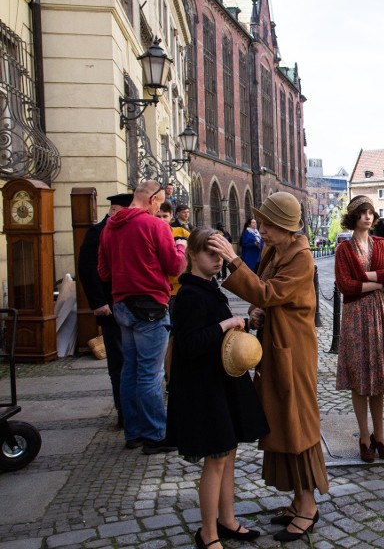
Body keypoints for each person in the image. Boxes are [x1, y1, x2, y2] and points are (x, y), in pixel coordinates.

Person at [208, 192, 328, 543]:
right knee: (281, 422)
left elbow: (267, 292)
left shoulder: (301, 257)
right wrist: (260, 312)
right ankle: (297, 500)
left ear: (282, 226)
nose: (260, 228)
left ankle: (308, 507)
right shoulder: (274, 250)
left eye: (265, 223)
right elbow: (268, 296)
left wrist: (233, 261)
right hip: (277, 347)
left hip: (294, 352)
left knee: (298, 422)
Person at [166, 228, 269, 549]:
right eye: (210, 254)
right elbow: (190, 344)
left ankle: (227, 520)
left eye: (219, 254)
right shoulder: (189, 295)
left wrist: (246, 322)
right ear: (192, 256)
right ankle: (207, 534)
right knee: (216, 459)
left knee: (228, 454)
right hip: (204, 389)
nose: (217, 260)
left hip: (222, 384)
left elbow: (217, 335)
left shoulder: (209, 289)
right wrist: (227, 324)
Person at [98, 180, 187, 455]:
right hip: (150, 305)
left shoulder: (110, 227)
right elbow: (174, 266)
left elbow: (103, 272)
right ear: (153, 199)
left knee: (130, 371)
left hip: (122, 306)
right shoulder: (155, 225)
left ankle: (133, 432)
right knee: (150, 374)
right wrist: (181, 246)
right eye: (160, 203)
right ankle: (155, 435)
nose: (160, 208)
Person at [334, 195, 384, 462]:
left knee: (378, 381)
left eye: (370, 212)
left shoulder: (382, 245)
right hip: (355, 316)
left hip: (378, 315)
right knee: (359, 379)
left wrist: (365, 278)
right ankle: (364, 436)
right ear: (354, 217)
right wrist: (377, 282)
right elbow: (345, 285)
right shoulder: (344, 249)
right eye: (362, 213)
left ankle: (380, 436)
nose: (367, 217)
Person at [78, 192, 133, 427]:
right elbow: (87, 269)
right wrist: (98, 302)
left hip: (129, 306)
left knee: (132, 360)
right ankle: (123, 411)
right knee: (118, 361)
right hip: (110, 307)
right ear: (113, 210)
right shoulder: (98, 232)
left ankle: (132, 409)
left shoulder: (123, 230)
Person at [156, 202, 192, 304]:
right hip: (161, 289)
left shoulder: (181, 231)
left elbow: (196, 249)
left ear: (171, 216)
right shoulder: (150, 234)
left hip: (180, 286)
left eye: (165, 216)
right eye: (158, 216)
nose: (162, 220)